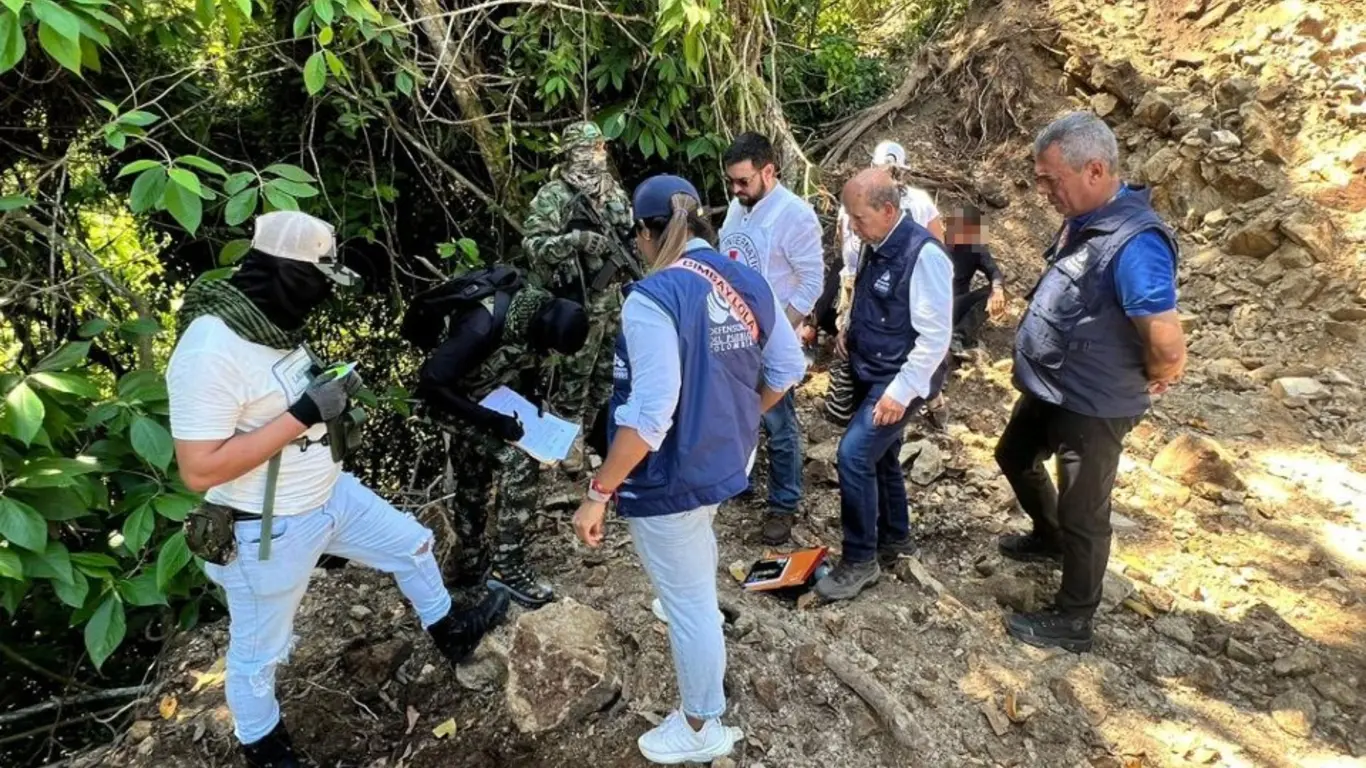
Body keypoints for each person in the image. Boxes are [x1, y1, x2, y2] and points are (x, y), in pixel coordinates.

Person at [167, 212, 509, 768]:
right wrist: (303, 414)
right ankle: (265, 749)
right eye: (317, 280)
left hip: (329, 494)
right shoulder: (211, 349)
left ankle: (451, 632)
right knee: (260, 653)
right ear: (285, 273)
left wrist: (328, 389)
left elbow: (279, 395)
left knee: (413, 544)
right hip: (267, 525)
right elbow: (199, 470)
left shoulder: (270, 322)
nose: (324, 295)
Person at [572, 175, 806, 764]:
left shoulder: (652, 298)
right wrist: (743, 416)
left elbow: (651, 414)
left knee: (691, 608)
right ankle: (689, 600)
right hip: (727, 456)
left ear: (646, 233)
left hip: (671, 473)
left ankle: (701, 725)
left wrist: (599, 491)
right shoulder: (747, 279)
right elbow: (787, 367)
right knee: (694, 547)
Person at [996, 112, 1186, 653]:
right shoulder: (1085, 218)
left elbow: (1167, 344)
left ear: (1095, 170)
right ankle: (1049, 537)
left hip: (1093, 402)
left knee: (1085, 511)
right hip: (1055, 387)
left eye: (1050, 180)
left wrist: (1157, 373)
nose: (1043, 191)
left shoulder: (1136, 243)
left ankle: (1075, 618)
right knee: (1014, 454)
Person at [402, 267, 590, 607]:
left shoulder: (534, 306)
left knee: (473, 475)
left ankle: (471, 560)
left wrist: (531, 400)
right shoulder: (480, 326)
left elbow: (527, 360)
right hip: (447, 399)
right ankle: (507, 567)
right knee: (518, 463)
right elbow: (431, 384)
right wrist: (491, 421)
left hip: (484, 392)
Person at [814, 168, 953, 602]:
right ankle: (896, 539)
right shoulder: (876, 243)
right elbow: (872, 297)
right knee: (882, 456)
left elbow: (935, 337)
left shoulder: (923, 255)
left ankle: (860, 559)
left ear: (889, 210)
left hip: (897, 377)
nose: (853, 227)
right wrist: (849, 329)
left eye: (859, 218)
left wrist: (900, 392)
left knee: (853, 455)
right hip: (869, 366)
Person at [717, 132, 824, 545]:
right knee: (736, 412)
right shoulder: (738, 207)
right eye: (731, 181)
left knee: (778, 423)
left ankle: (783, 502)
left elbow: (812, 281)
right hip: (733, 334)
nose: (735, 189)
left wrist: (779, 332)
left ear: (768, 171)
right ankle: (737, 479)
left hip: (772, 337)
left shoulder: (795, 215)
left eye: (743, 181)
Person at [520, 121, 640, 463]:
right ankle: (563, 447)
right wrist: (575, 241)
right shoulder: (554, 196)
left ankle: (591, 440)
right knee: (573, 380)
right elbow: (533, 245)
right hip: (577, 304)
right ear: (577, 152)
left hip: (614, 303)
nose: (602, 153)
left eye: (603, 147)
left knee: (607, 378)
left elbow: (630, 237)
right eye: (595, 147)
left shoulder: (613, 191)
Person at [824, 140, 944, 427]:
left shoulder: (918, 203)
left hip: (895, 289)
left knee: (893, 348)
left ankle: (917, 397)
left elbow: (937, 247)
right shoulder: (860, 201)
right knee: (854, 351)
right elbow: (846, 246)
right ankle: (864, 411)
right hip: (861, 282)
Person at [945, 204, 1006, 352]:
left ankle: (958, 336)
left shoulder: (974, 249)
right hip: (925, 306)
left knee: (991, 292)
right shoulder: (934, 240)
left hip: (953, 306)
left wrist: (997, 290)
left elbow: (994, 272)